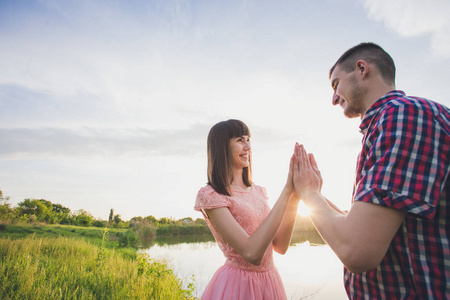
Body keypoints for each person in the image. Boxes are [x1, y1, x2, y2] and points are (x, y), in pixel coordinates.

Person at [292, 42, 450, 299]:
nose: (333, 98)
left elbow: (356, 250)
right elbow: (360, 226)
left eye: (335, 84)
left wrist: (309, 194)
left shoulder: (404, 116)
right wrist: (315, 193)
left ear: (362, 69)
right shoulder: (389, 123)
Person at [194, 119, 300, 300]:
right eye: (239, 140)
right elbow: (252, 254)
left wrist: (295, 196)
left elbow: (280, 246)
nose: (248, 146)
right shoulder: (212, 195)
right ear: (222, 147)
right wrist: (286, 190)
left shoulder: (258, 191)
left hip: (270, 282)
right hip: (238, 286)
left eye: (248, 139)